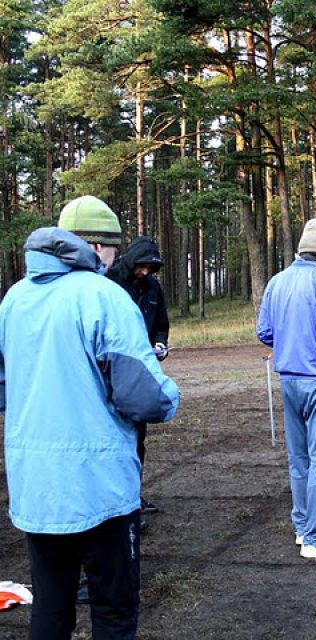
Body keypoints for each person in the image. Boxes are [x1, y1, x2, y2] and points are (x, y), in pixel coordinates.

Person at [0, 199, 180, 640]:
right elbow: (145, 398)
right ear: (98, 246)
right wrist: (171, 393)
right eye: (114, 249)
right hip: (100, 486)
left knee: (51, 606)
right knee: (115, 609)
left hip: (36, 486)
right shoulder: (104, 296)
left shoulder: (13, 299)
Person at [256, 218, 316, 559]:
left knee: (298, 459)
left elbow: (265, 332)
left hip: (288, 382)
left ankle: (302, 529)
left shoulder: (277, 282)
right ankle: (315, 537)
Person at [106, 236, 171, 515]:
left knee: (137, 437)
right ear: (132, 261)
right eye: (142, 266)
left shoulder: (153, 289)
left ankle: (134, 496)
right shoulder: (108, 284)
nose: (145, 272)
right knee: (113, 436)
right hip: (112, 372)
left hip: (142, 373)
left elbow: (161, 325)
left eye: (151, 269)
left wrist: (160, 344)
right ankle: (115, 501)